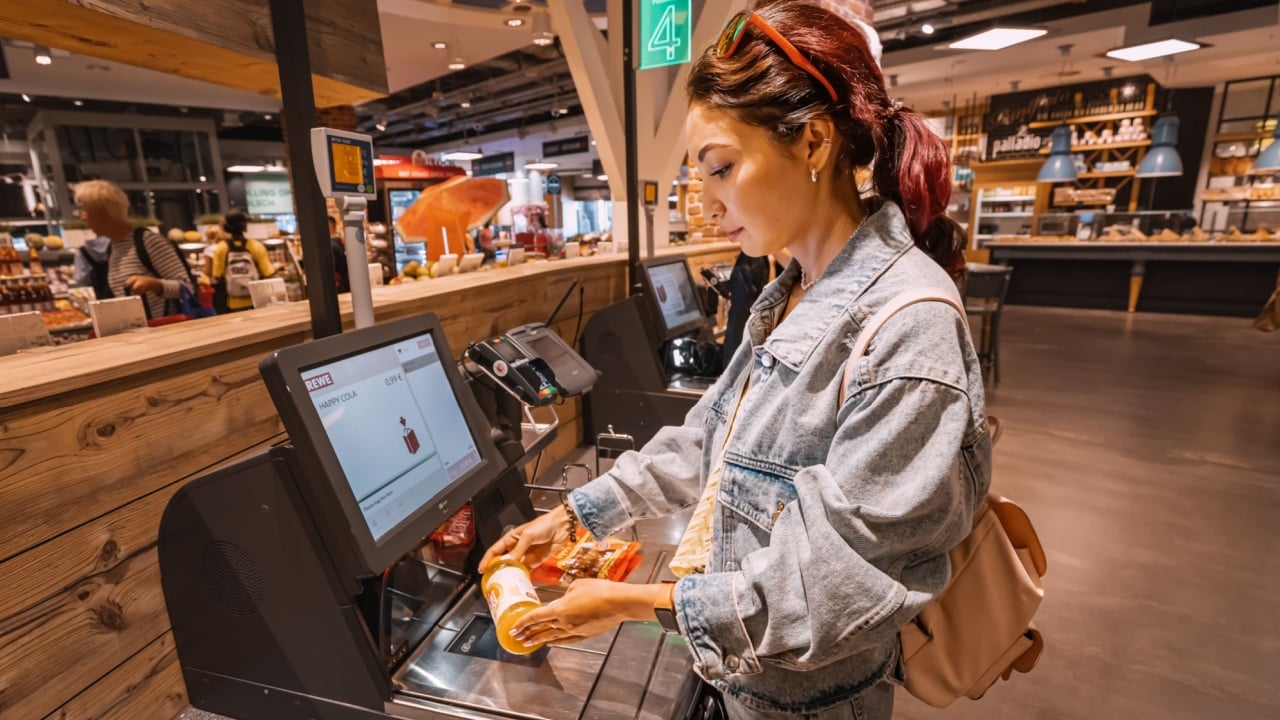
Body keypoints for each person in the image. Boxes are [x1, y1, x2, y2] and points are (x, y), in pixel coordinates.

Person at [479, 3, 989, 719]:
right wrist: (574, 519)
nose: (707, 201)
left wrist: (631, 603)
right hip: (745, 684)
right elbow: (709, 438)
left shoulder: (909, 330)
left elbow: (827, 591)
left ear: (813, 141)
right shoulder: (790, 296)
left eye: (721, 168)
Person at [73, 180, 194, 319]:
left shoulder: (148, 242)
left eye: (86, 211)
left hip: (167, 331)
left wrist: (154, 285)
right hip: (144, 335)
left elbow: (187, 288)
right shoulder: (113, 248)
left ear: (103, 212)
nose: (83, 217)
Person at [211, 208, 277, 313]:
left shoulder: (221, 248)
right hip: (256, 301)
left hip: (232, 304)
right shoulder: (255, 246)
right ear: (244, 226)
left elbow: (217, 276)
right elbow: (268, 273)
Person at [329, 215, 350, 293]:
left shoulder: (330, 245)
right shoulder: (339, 242)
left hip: (339, 286)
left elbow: (331, 269)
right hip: (346, 283)